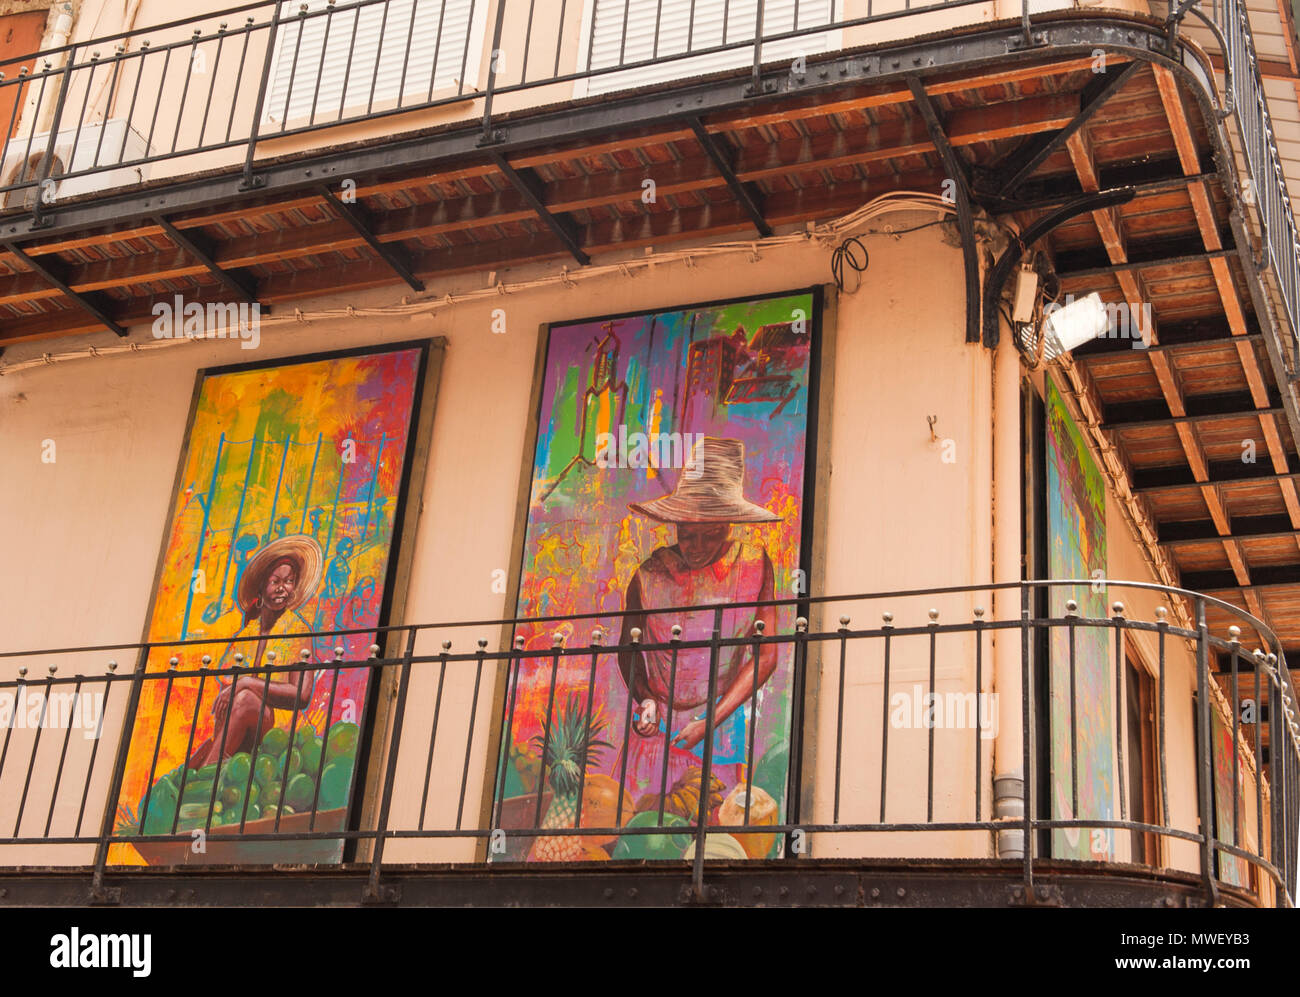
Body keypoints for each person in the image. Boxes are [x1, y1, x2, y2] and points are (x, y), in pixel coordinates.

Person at [616, 436, 779, 804]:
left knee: (719, 820)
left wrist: (712, 720)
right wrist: (644, 699)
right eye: (687, 534)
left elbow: (766, 655)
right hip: (656, 727)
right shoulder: (649, 574)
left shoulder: (753, 565)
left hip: (725, 720)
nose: (698, 546)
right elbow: (628, 650)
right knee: (646, 816)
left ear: (731, 526)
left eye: (713, 534)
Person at [186, 535, 324, 769]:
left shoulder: (299, 631)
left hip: (280, 733)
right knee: (192, 764)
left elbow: (301, 694)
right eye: (275, 581)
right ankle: (205, 769)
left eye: (290, 581)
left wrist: (246, 683)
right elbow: (225, 693)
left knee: (247, 698)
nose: (283, 588)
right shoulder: (245, 635)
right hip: (240, 731)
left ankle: (207, 773)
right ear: (261, 587)